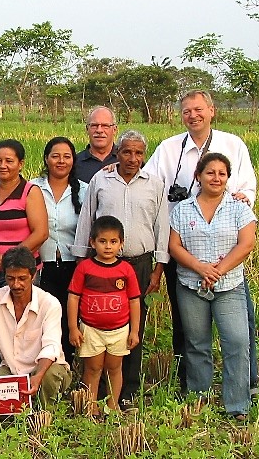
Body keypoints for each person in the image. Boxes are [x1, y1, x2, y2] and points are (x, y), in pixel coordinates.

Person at [143, 89, 258, 394]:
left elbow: (248, 187)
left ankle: (248, 382)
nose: (193, 115)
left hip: (225, 252)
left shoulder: (232, 144)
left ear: (211, 111)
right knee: (187, 324)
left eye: (198, 109)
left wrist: (242, 198)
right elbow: (147, 183)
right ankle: (191, 384)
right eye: (186, 111)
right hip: (183, 247)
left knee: (240, 326)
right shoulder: (169, 149)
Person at [72, 130, 169, 410]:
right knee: (97, 322)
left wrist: (158, 269)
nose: (132, 158)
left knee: (132, 329)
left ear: (144, 155)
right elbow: (87, 219)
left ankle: (127, 391)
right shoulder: (101, 179)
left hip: (138, 264)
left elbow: (162, 226)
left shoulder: (154, 184)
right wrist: (81, 260)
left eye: (138, 153)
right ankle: (97, 391)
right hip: (101, 264)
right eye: (127, 152)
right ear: (118, 153)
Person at [168, 153, 256, 420]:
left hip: (229, 285)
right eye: (210, 172)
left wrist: (217, 270)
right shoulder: (183, 209)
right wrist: (200, 268)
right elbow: (174, 246)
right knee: (196, 343)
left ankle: (237, 404)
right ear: (198, 176)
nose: (216, 178)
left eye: (222, 174)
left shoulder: (239, 208)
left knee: (237, 341)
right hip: (191, 284)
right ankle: (198, 398)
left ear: (228, 178)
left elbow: (246, 244)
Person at [0, 246, 72, 413]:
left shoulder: (49, 303)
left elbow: (51, 346)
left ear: (33, 275)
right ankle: (21, 411)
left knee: (49, 376)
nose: (16, 285)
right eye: (11, 278)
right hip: (12, 370)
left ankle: (44, 416)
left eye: (22, 278)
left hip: (47, 369)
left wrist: (37, 377)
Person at [68, 216, 141, 415]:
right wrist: (73, 328)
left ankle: (112, 407)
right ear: (92, 242)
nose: (108, 246)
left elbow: (134, 301)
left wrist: (134, 330)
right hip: (91, 329)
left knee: (114, 368)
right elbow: (73, 297)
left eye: (113, 241)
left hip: (119, 330)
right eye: (102, 241)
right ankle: (90, 408)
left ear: (121, 243)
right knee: (93, 368)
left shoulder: (126, 270)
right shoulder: (85, 268)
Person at [30, 137, 87, 365]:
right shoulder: (32, 188)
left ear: (74, 160)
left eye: (67, 156)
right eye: (55, 156)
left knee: (69, 318)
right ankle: (45, 365)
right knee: (44, 318)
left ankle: (68, 366)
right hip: (41, 265)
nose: (61, 161)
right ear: (46, 159)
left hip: (74, 265)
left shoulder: (85, 190)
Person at [0, 139, 48, 301]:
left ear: (20, 164)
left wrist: (8, 259)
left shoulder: (30, 192)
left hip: (21, 272)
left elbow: (41, 233)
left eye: (9, 161)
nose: (2, 165)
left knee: (22, 314)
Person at [76, 106, 118, 183]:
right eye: (94, 125)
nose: (99, 130)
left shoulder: (127, 161)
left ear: (114, 130)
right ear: (87, 129)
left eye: (105, 126)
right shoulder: (74, 163)